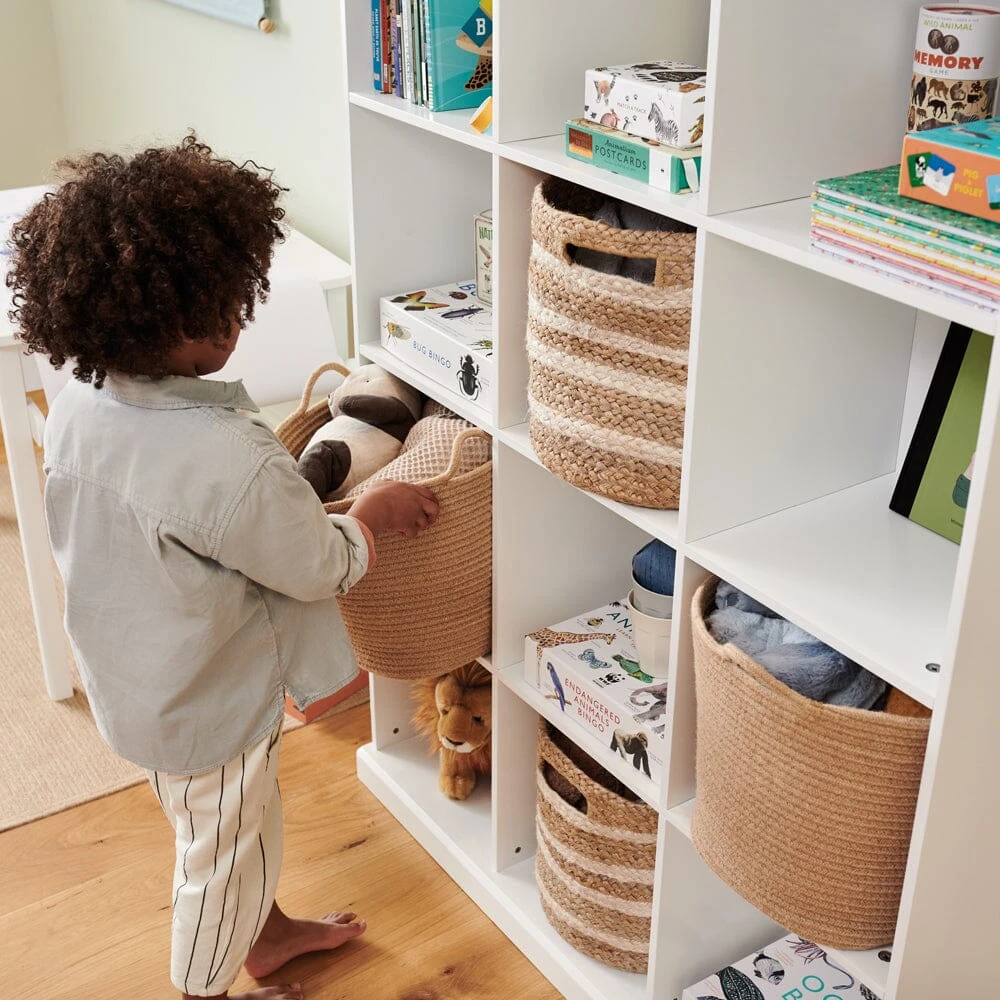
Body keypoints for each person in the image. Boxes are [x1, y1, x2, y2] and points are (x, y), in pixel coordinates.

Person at [6, 135, 439, 1000]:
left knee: (214, 830)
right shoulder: (226, 459)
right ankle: (201, 987)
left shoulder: (81, 406)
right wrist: (370, 515)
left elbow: (200, 534)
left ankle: (266, 934)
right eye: (221, 309)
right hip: (210, 702)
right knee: (226, 850)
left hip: (137, 677)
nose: (238, 321)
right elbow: (316, 566)